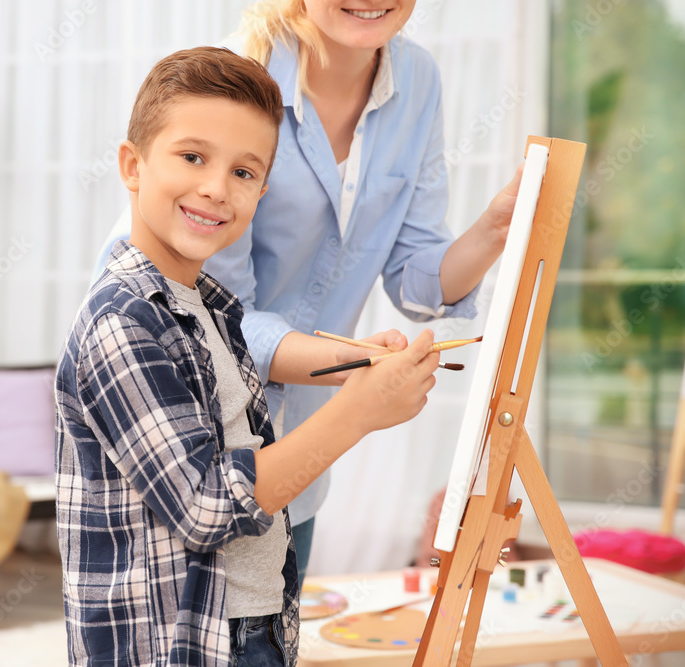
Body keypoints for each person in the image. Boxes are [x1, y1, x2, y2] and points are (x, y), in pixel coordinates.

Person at [91, 0, 524, 585]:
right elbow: (222, 320)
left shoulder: (417, 82)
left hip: (302, 447)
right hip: (196, 424)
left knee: (273, 637)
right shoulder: (239, 82)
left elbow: (417, 279)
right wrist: (356, 372)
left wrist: (496, 229)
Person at [56, 46, 440, 666]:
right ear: (132, 165)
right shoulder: (122, 325)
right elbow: (209, 506)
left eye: (244, 173)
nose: (215, 188)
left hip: (249, 627)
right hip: (178, 646)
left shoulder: (214, 309)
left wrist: (352, 363)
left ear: (262, 191)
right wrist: (358, 413)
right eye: (192, 157)